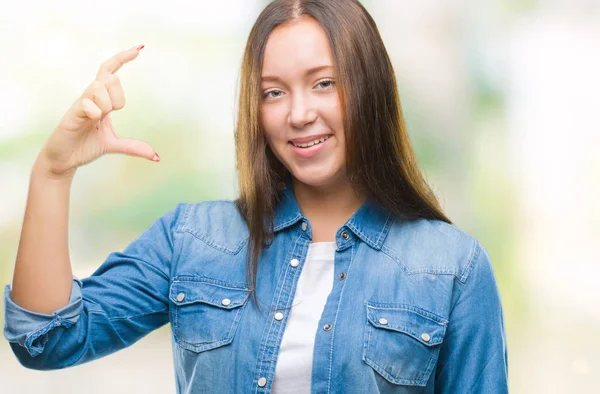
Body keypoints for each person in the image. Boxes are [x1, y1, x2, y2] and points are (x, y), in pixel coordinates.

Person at [3, 0, 509, 393]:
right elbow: (46, 339)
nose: (299, 113)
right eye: (274, 92)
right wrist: (53, 172)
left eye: (324, 83)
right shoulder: (193, 240)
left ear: (369, 88)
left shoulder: (452, 268)